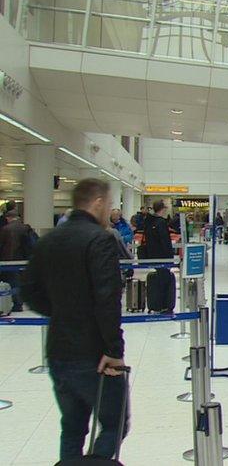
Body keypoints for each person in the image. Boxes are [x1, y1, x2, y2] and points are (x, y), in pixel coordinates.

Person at [20, 178, 129, 460]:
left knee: (72, 427)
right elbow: (107, 299)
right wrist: (113, 351)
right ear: (98, 203)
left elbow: (28, 290)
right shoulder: (100, 239)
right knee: (115, 424)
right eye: (109, 204)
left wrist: (61, 310)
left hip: (58, 350)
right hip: (93, 353)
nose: (110, 211)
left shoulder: (49, 239)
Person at [0, 206, 34, 312]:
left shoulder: (5, 229)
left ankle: (16, 304)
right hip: (23, 259)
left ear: (8, 218)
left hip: (8, 259)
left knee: (12, 282)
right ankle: (20, 303)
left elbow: (1, 245)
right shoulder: (26, 227)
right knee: (19, 282)